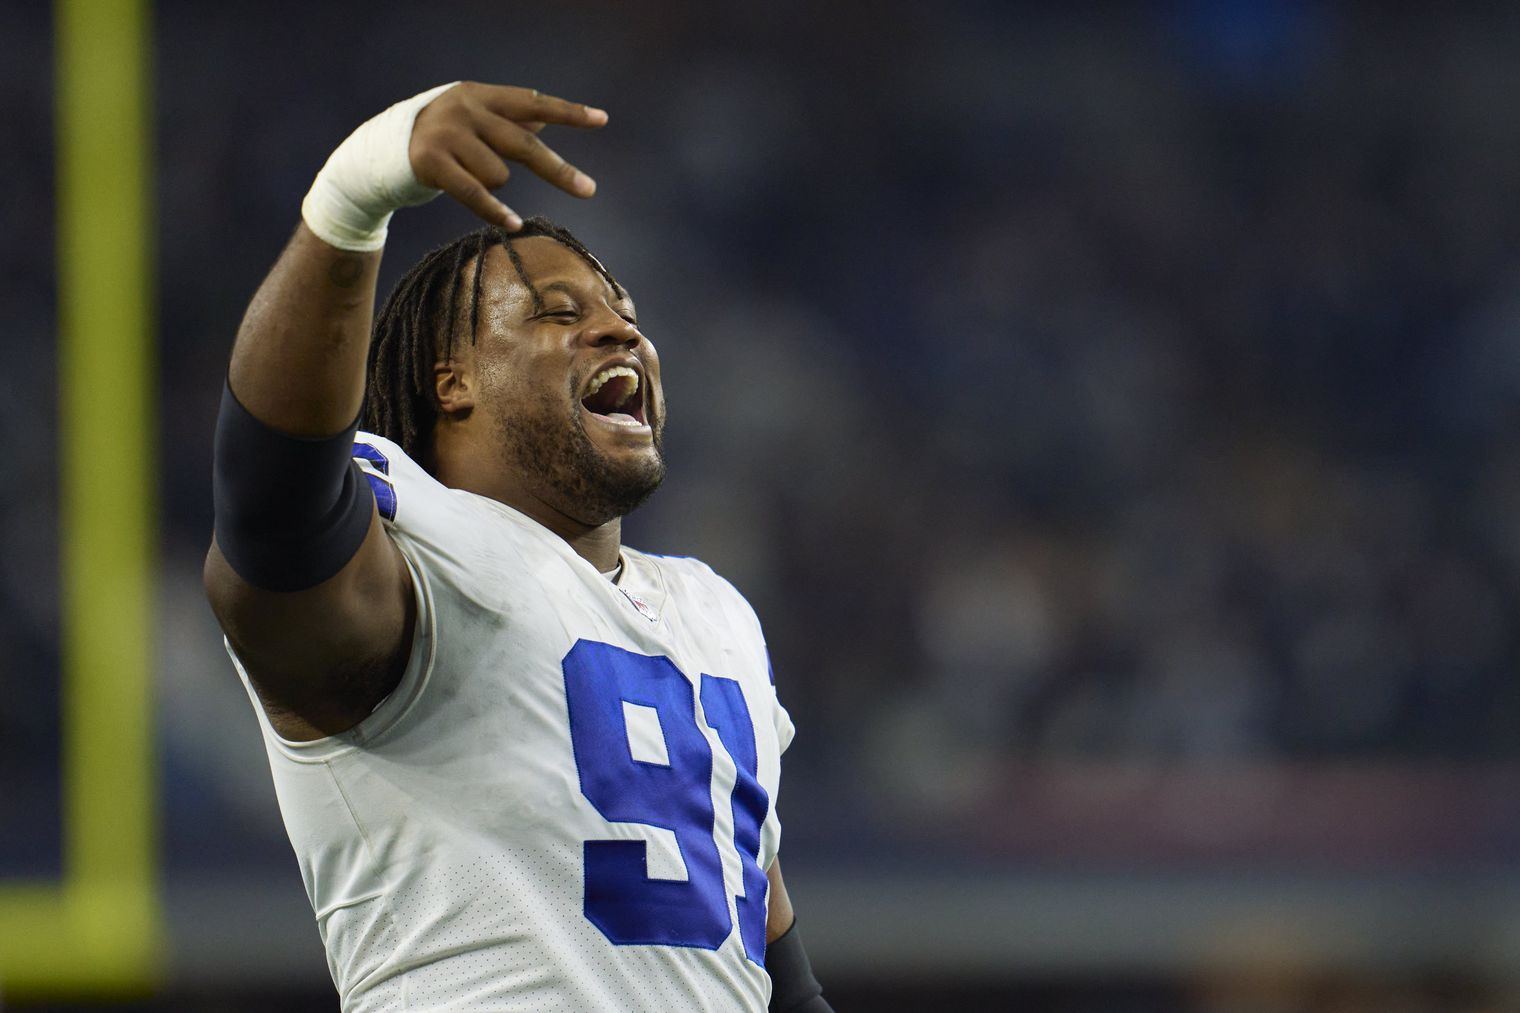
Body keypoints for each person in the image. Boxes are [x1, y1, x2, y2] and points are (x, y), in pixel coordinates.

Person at [204, 81, 832, 1012]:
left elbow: (774, 969)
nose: (621, 328)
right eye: (557, 312)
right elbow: (273, 518)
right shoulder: (418, 541)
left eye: (622, 310)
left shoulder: (715, 615)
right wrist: (353, 197)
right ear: (449, 381)